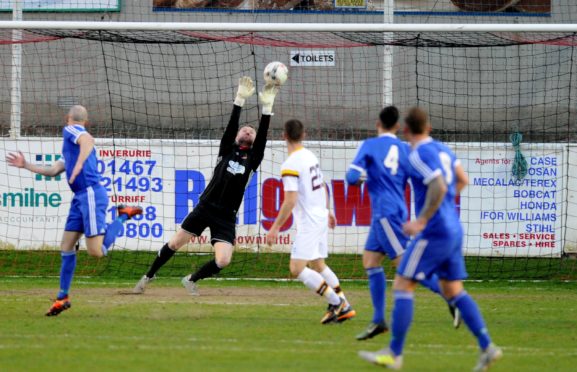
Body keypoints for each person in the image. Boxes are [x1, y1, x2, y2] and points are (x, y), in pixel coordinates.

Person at [358, 107, 502, 371]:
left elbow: (438, 186)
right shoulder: (444, 150)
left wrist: (423, 219)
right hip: (453, 229)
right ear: (430, 128)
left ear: (405, 131)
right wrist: (444, 204)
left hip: (434, 231)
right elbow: (462, 180)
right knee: (453, 290)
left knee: (402, 283)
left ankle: (394, 354)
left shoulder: (417, 154)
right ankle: (487, 346)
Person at [133, 77, 279, 295]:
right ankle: (148, 276)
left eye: (251, 131)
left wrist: (267, 109)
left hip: (226, 216)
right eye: (244, 130)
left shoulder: (253, 160)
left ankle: (191, 279)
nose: (247, 131)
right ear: (237, 136)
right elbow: (231, 127)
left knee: (224, 260)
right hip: (206, 207)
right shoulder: (226, 150)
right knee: (174, 244)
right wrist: (239, 100)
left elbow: (263, 138)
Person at [6, 105, 142, 316]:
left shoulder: (70, 130)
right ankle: (62, 297)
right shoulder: (69, 148)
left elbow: (88, 140)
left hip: (90, 195)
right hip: (80, 197)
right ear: (86, 121)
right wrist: (26, 165)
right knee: (67, 245)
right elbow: (52, 170)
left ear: (68, 118)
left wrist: (78, 166)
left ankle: (123, 216)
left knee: (96, 252)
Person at [346, 106, 459, 341]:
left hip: (385, 213)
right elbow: (418, 178)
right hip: (394, 209)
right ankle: (378, 320)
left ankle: (452, 297)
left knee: (406, 265)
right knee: (370, 260)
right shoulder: (406, 149)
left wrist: (369, 176)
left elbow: (352, 177)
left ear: (378, 123)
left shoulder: (369, 145)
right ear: (397, 127)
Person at [265, 119, 355, 324]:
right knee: (318, 264)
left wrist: (275, 227)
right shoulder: (309, 156)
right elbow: (323, 185)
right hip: (320, 216)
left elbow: (290, 200)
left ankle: (337, 303)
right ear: (303, 135)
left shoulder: (291, 164)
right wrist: (328, 210)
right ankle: (344, 304)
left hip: (310, 222)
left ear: (284, 136)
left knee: (296, 268)